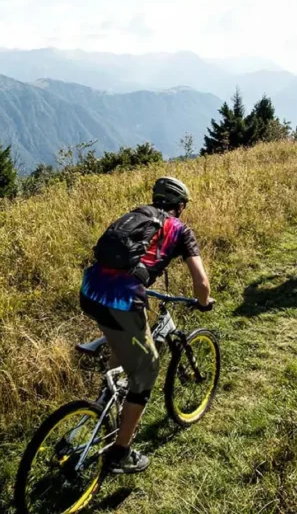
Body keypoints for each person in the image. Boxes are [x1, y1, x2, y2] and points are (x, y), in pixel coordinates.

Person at [79, 176, 213, 474]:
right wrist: (204, 302)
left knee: (125, 346)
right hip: (122, 300)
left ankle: (107, 402)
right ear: (181, 205)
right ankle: (121, 453)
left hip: (89, 289)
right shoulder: (180, 229)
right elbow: (201, 282)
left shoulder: (135, 214)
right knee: (148, 366)